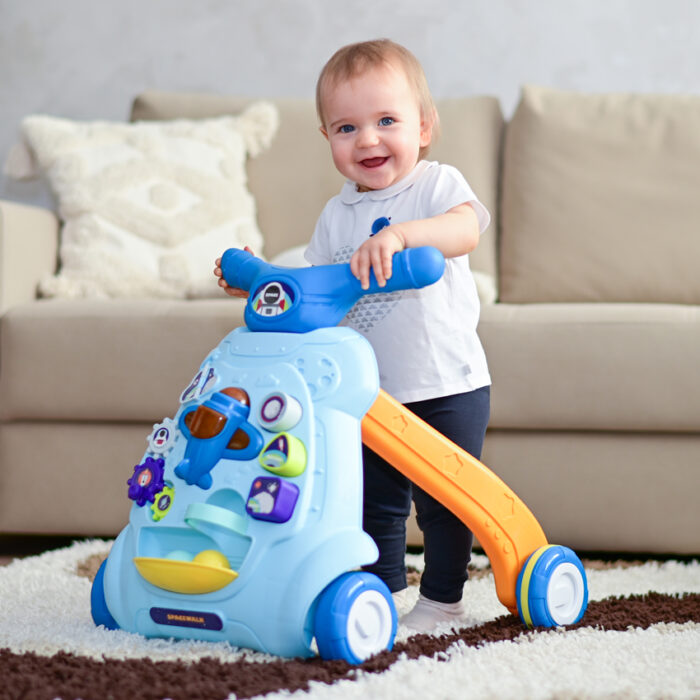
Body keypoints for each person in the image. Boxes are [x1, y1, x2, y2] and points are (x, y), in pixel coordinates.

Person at [215, 39, 491, 632]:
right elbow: (315, 294)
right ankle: (378, 594)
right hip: (368, 391)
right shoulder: (335, 215)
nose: (367, 139)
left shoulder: (436, 185)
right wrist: (264, 286)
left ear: (424, 127)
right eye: (347, 128)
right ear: (328, 139)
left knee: (444, 502)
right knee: (372, 502)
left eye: (387, 121)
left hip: (447, 381)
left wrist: (402, 236)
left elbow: (465, 230)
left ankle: (443, 601)